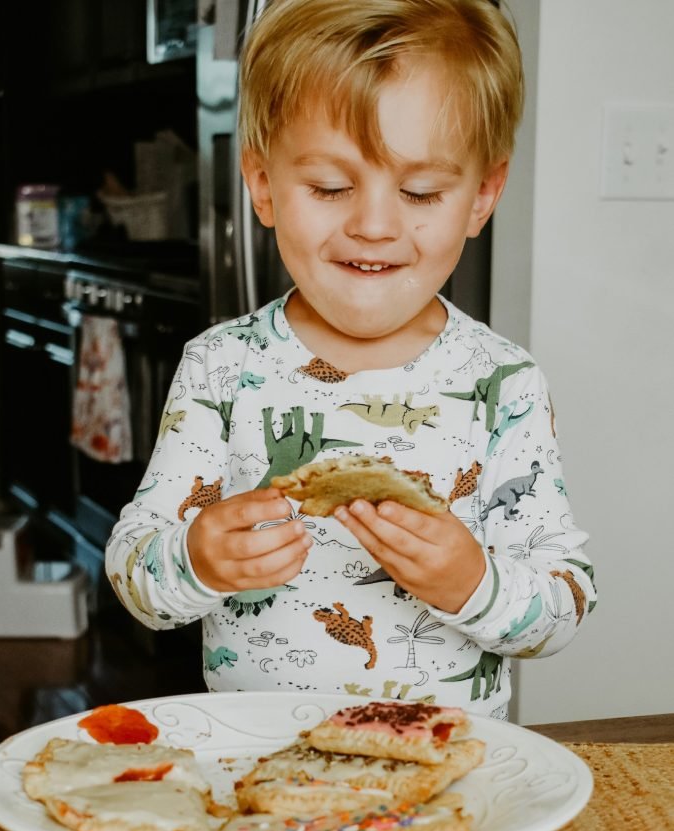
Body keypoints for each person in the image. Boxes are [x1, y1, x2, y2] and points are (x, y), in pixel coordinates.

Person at [105, 0, 596, 718]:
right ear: (263, 185)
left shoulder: (502, 383)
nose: (372, 225)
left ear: (481, 196)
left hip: (447, 765)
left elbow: (567, 597)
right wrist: (197, 559)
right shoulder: (219, 369)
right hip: (259, 760)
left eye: (420, 191)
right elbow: (132, 570)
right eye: (330, 187)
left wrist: (472, 582)